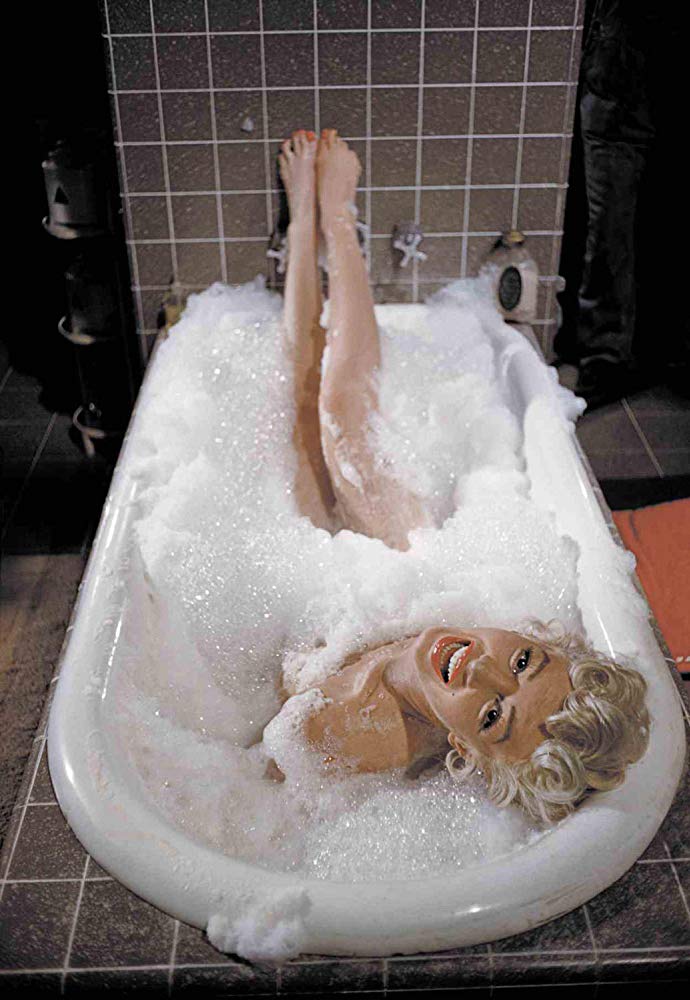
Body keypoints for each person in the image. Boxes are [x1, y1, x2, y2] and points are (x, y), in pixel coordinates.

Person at [264, 129, 649, 824]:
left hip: (326, 602)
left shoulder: (349, 733)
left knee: (300, 409)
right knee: (347, 422)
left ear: (467, 753)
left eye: (494, 715)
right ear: (543, 640)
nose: (480, 668)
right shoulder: (483, 599)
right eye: (524, 662)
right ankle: (338, 222)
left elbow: (269, 763)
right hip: (404, 578)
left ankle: (306, 228)